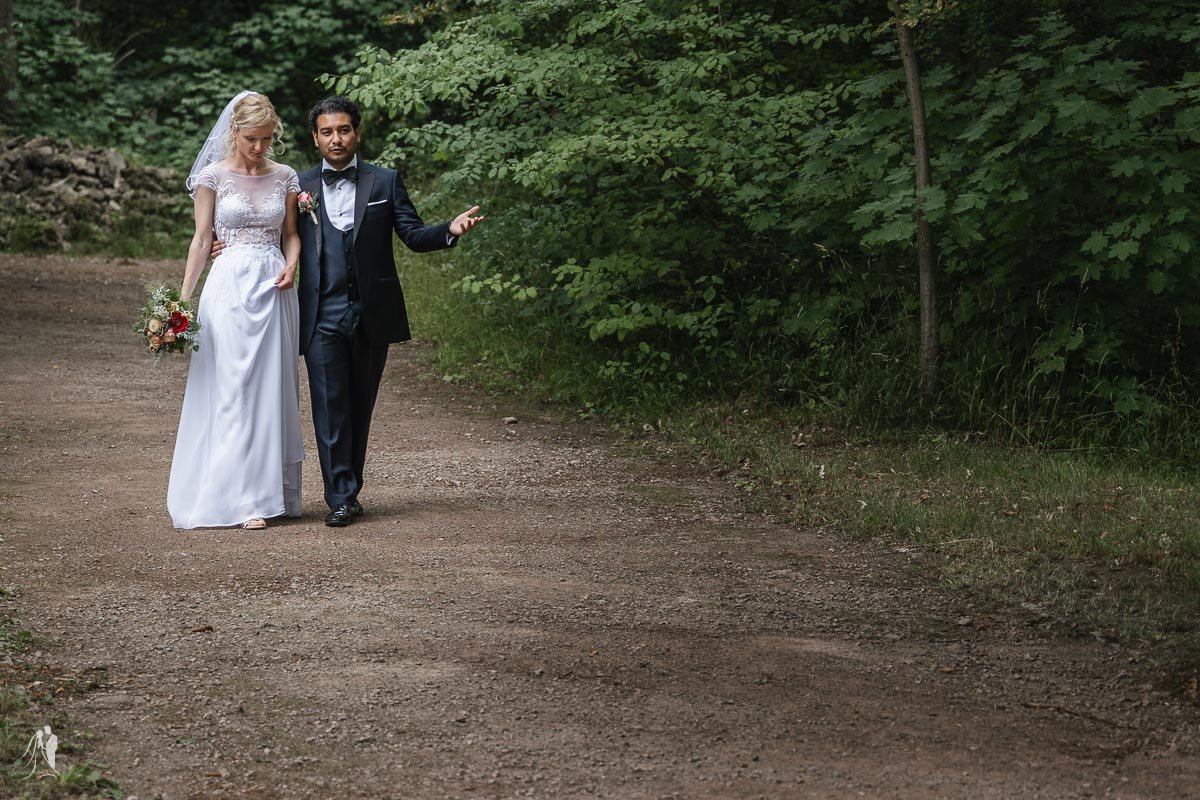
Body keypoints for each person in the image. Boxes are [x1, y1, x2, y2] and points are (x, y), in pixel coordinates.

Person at [298, 95, 482, 526]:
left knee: (360, 406)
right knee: (330, 406)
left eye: (343, 130)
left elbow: (413, 234)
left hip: (371, 311)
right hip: (322, 312)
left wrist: (449, 231)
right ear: (315, 138)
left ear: (357, 133)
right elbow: (278, 239)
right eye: (327, 131)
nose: (336, 138)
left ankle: (350, 488)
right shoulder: (297, 185)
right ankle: (340, 496)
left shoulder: (385, 182)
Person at [167, 91, 304, 530]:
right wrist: (181, 303)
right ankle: (227, 492)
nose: (259, 147)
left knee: (267, 390)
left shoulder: (285, 176)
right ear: (234, 133)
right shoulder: (212, 176)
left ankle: (259, 498)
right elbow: (202, 239)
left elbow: (291, 234)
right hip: (226, 288)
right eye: (251, 139)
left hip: (272, 285)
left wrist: (292, 264)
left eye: (266, 139)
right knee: (230, 385)